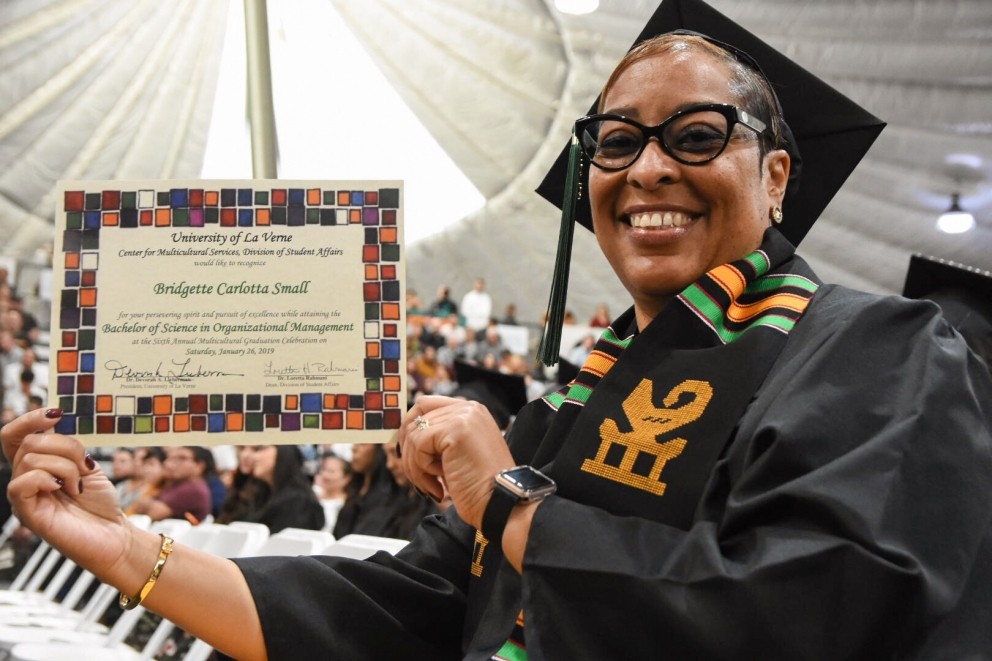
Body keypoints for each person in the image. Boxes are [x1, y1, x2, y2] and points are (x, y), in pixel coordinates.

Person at [2, 0, 991, 659]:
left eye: (696, 136)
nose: (646, 168)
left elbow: (808, 613)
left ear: (775, 175)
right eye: (614, 142)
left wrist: (508, 503)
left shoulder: (876, 350)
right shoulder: (571, 399)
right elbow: (410, 609)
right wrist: (125, 548)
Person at [231, 445, 325, 534]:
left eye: (260, 449)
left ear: (283, 453)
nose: (254, 457)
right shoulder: (262, 494)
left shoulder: (298, 502)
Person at [131, 446, 212, 523]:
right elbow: (138, 506)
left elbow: (151, 515)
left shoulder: (194, 489)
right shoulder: (175, 485)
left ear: (200, 466)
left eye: (182, 458)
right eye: (172, 458)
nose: (171, 463)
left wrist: (148, 504)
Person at [313, 452, 352, 533]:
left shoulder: (347, 504)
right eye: (324, 469)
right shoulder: (313, 493)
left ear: (346, 478)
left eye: (331, 471)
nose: (325, 475)